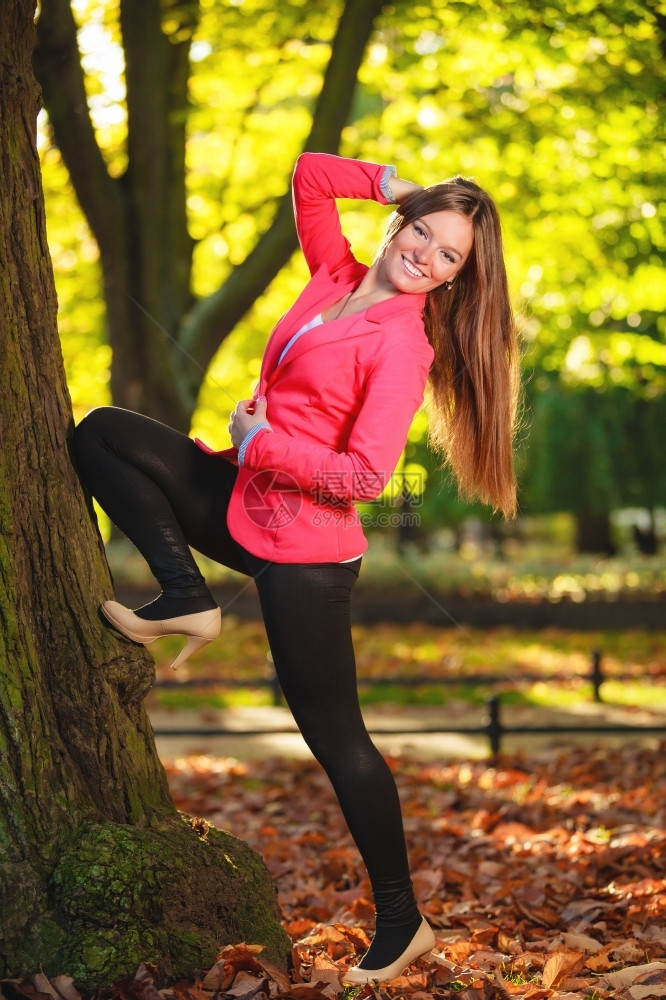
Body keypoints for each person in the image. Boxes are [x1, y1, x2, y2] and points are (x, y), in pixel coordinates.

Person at [72, 152, 519, 984]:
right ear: (403, 221)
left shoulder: (403, 348)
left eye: (448, 254)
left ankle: (402, 919)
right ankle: (185, 595)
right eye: (423, 229)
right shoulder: (334, 273)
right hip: (247, 501)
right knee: (101, 431)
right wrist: (393, 182)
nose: (425, 253)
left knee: (337, 739)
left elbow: (365, 479)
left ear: (458, 276)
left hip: (310, 550)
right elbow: (312, 177)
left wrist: (260, 444)